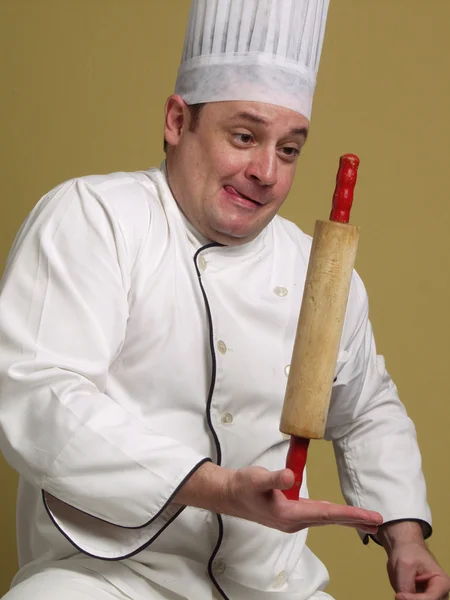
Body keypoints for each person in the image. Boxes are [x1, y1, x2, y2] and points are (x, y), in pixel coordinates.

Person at [0, 1, 448, 599]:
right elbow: (38, 394)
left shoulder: (316, 267)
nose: (266, 171)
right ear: (176, 120)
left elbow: (366, 407)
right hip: (107, 579)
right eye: (244, 136)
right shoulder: (96, 218)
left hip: (273, 589)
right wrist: (217, 488)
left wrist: (406, 538)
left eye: (289, 150)